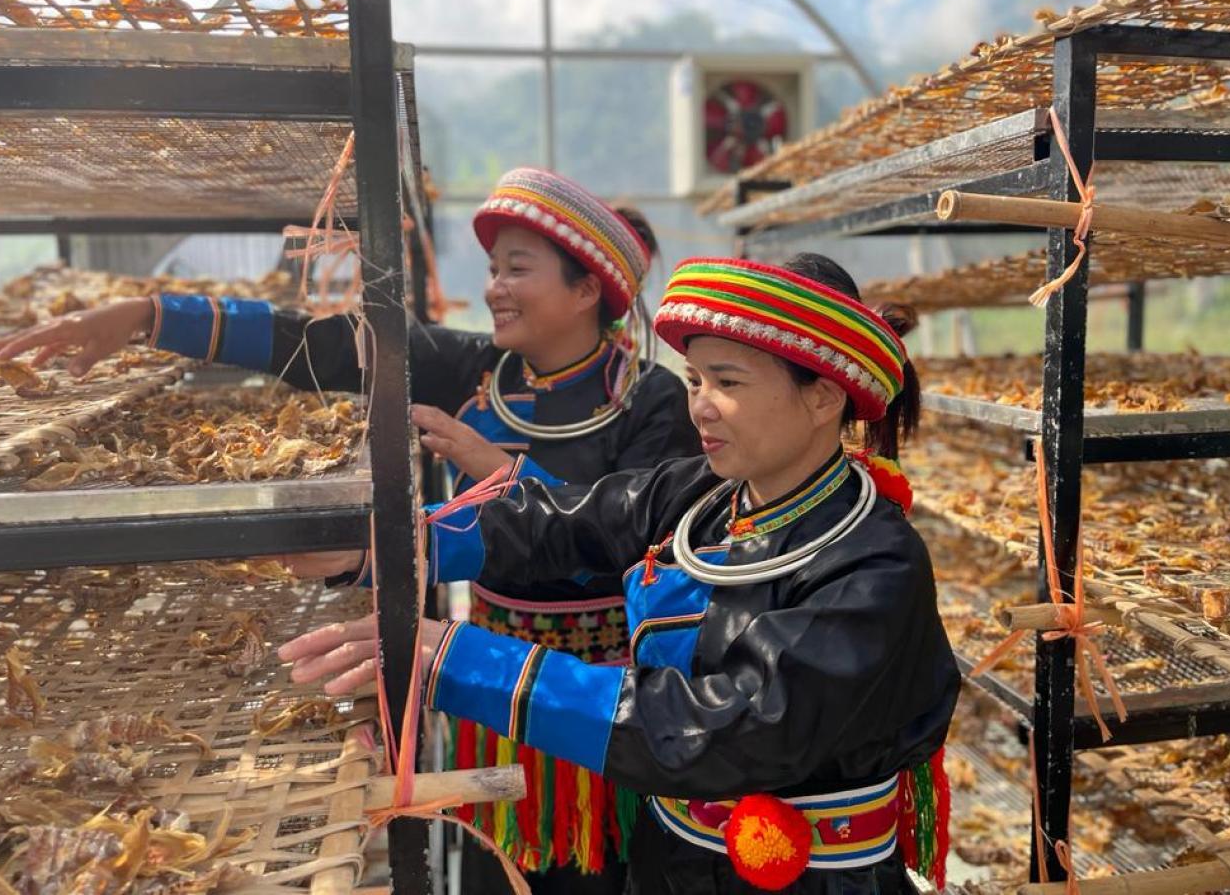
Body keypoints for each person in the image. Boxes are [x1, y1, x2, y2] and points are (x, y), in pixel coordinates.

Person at [0, 167, 701, 894]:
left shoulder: (652, 399)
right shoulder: (476, 372)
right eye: (490, 269)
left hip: (593, 702)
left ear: (587, 290)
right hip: (482, 687)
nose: (494, 288)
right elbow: (318, 344)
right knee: (495, 875)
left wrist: (499, 472)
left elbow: (636, 557)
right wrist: (147, 316)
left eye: (518, 269)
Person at [282, 253, 961, 894]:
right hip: (671, 860)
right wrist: (389, 546)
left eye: (728, 382)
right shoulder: (707, 494)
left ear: (824, 397)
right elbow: (570, 519)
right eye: (695, 380)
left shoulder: (875, 563)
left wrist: (471, 663)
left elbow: (735, 728)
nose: (700, 404)